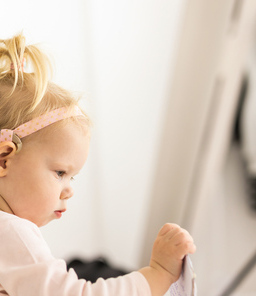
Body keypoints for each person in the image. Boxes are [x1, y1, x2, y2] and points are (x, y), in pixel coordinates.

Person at [0, 33, 196, 296]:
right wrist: (158, 274)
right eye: (60, 172)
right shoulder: (14, 232)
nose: (69, 190)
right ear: (4, 159)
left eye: (72, 177)